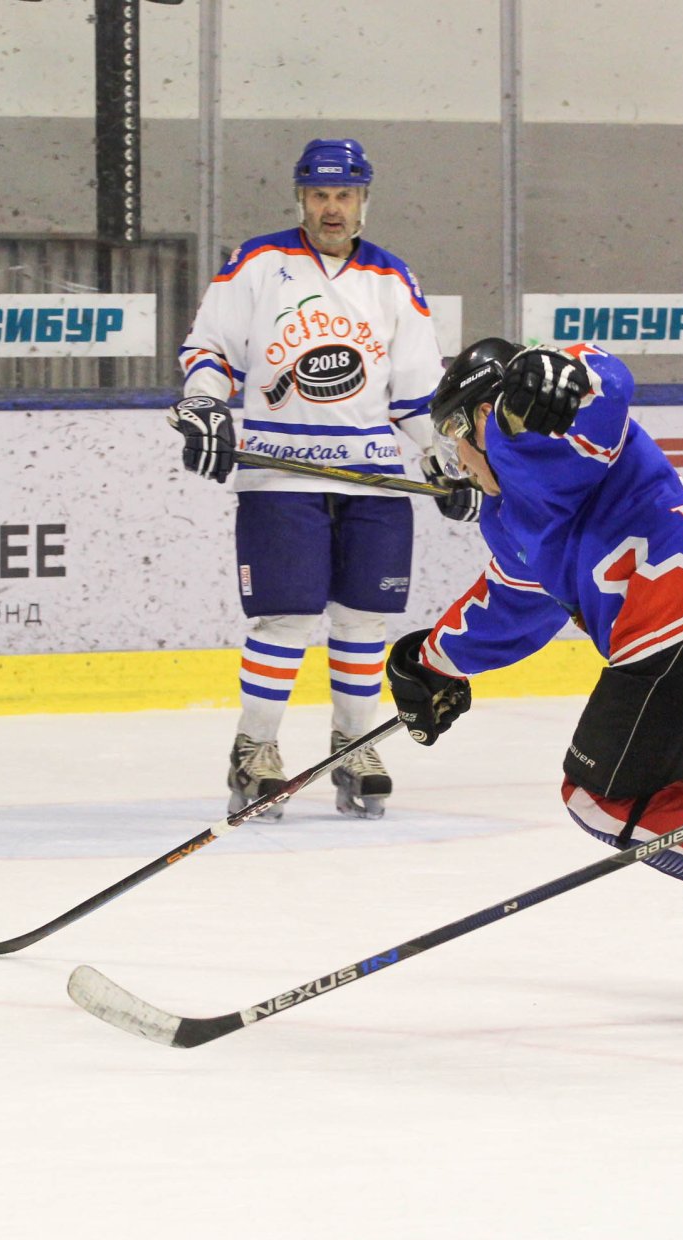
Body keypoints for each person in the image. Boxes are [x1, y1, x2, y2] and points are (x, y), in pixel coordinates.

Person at [383, 337, 683, 1016]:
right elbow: (514, 603)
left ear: (490, 414)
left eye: (460, 430)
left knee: (598, 796)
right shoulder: (516, 511)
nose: (457, 454)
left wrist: (547, 377)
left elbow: (603, 388)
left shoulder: (539, 441)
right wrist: (433, 661)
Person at [169, 138, 470, 821]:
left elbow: (417, 395)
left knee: (364, 618)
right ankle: (255, 749)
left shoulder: (393, 278)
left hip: (375, 481)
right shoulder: (258, 263)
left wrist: (444, 459)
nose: (332, 208)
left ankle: (354, 746)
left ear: (365, 200)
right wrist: (206, 403)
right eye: (319, 195)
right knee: (289, 616)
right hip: (282, 473)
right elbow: (209, 349)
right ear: (300, 198)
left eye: (344, 195)